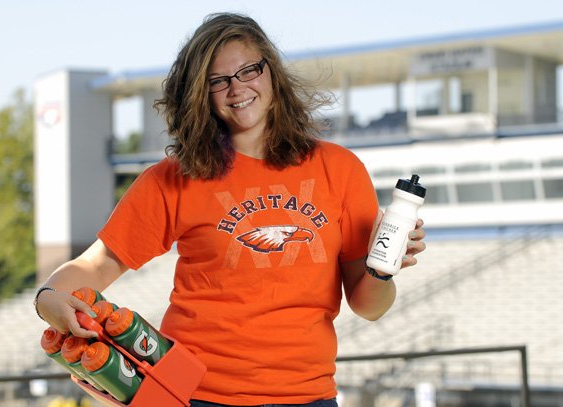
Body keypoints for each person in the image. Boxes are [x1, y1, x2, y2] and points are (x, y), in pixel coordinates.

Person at [34, 12, 427, 407]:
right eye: (218, 81)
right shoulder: (173, 178)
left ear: (271, 72)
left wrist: (383, 269)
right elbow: (98, 263)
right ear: (200, 94)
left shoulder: (339, 169)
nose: (237, 88)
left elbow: (368, 307)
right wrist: (47, 297)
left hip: (309, 397)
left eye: (248, 71)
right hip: (193, 394)